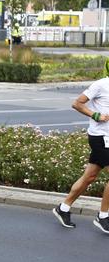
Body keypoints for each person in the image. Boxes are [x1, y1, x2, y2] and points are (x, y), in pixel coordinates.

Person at [53, 69, 109, 234]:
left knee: (89, 177)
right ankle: (103, 216)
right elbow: (77, 103)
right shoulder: (101, 84)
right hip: (100, 137)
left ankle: (63, 208)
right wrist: (95, 115)